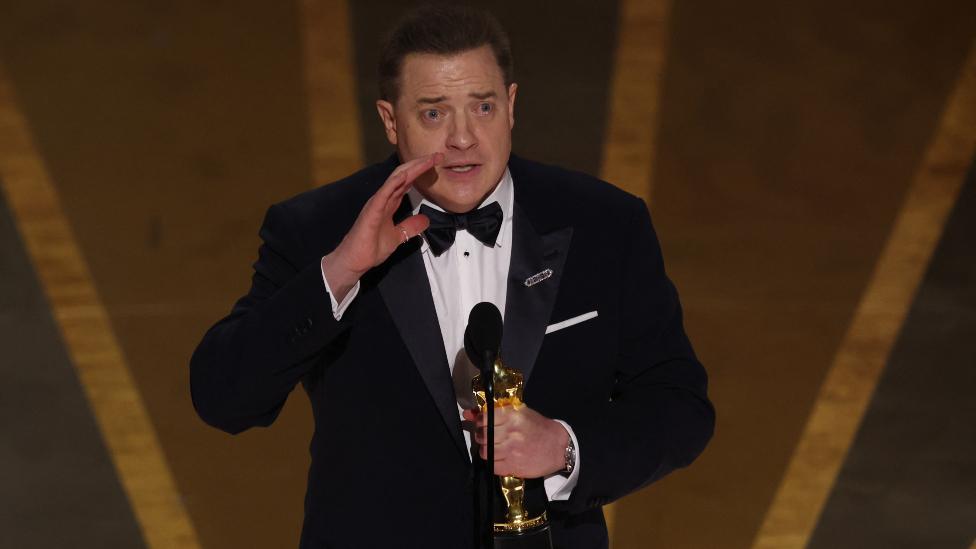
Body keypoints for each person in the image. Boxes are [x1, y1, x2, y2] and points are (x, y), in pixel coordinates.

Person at [190, 5, 714, 548]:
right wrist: (341, 271)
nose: (464, 138)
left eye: (482, 107)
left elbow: (679, 407)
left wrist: (564, 447)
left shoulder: (605, 224)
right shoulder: (317, 229)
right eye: (434, 114)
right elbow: (223, 398)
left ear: (511, 106)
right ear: (391, 121)